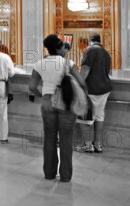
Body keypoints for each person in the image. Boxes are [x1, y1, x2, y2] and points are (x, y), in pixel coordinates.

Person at [29, 34, 87, 183]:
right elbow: (82, 83)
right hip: (66, 103)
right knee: (66, 139)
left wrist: (44, 95)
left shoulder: (39, 63)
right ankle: (65, 176)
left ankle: (49, 173)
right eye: (63, 47)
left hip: (48, 102)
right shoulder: (69, 63)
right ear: (58, 48)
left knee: (49, 138)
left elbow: (32, 87)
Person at [75, 34, 112, 154]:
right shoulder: (106, 53)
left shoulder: (90, 52)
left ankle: (87, 145)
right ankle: (98, 145)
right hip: (105, 89)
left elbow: (85, 70)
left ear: (91, 42)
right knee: (99, 116)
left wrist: (78, 85)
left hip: (91, 89)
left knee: (86, 118)